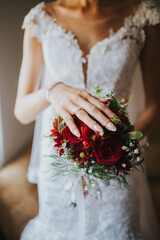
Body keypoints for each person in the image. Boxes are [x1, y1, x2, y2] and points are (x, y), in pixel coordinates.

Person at [14, 0, 160, 239]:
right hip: (60, 166)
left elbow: (155, 104)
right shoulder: (41, 18)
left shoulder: (143, 16)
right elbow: (22, 111)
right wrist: (52, 89)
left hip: (116, 163)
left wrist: (120, 147)